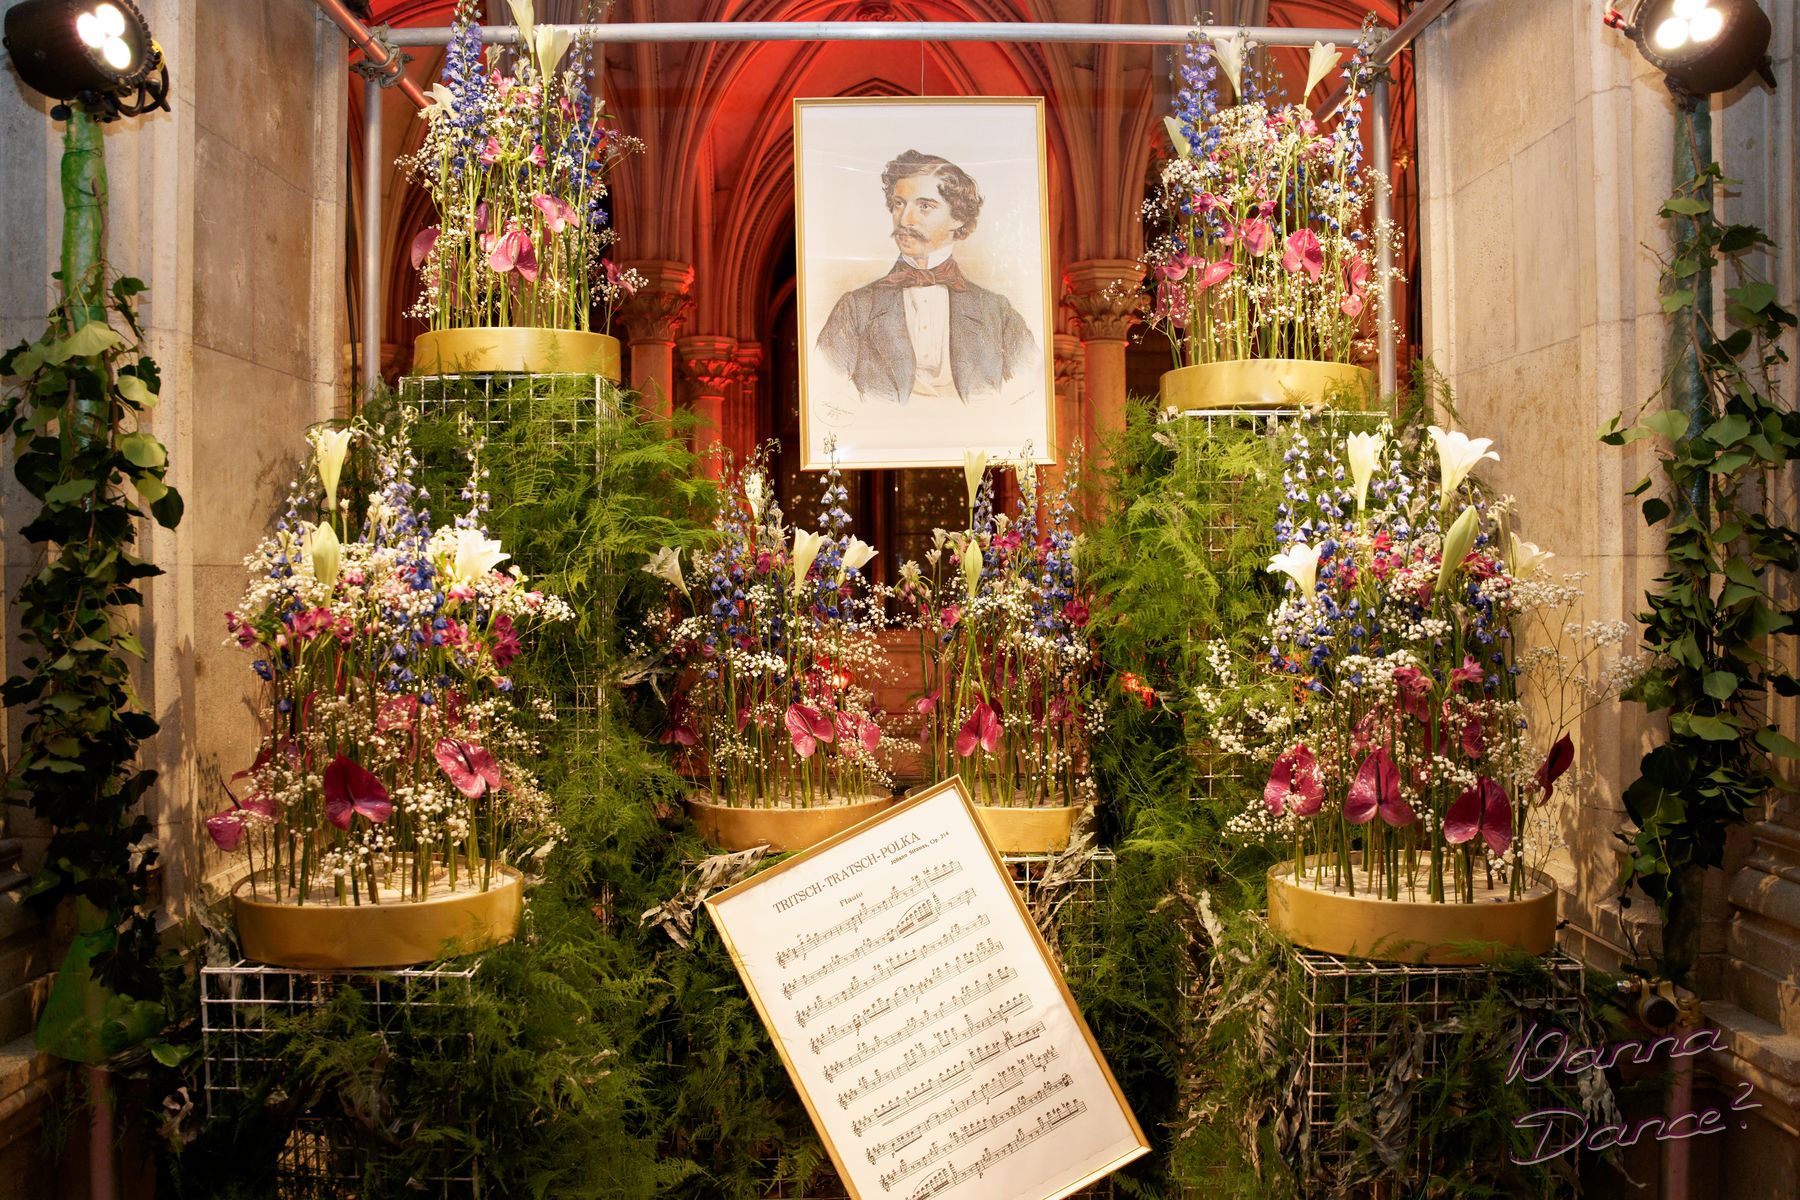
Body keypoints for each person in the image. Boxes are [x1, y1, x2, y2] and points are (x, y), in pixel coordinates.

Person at [816, 150, 1037, 407]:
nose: (905, 220)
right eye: (899, 204)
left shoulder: (997, 312)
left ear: (958, 217)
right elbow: (824, 398)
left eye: (924, 206)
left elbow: (1030, 398)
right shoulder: (855, 309)